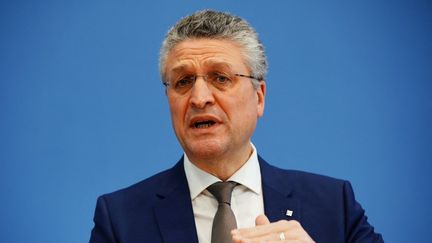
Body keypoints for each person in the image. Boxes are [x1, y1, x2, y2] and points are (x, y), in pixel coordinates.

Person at [89, 10, 383, 243]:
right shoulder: (120, 218)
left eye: (221, 77)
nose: (199, 98)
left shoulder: (334, 204)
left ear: (259, 97)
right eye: (183, 81)